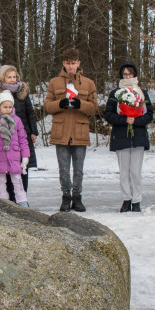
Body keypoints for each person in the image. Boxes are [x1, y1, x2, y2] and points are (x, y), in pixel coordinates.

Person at [43, 47, 97, 212]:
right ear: (63, 63)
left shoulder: (88, 83)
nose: (71, 66)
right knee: (64, 168)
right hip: (61, 132)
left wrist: (81, 104)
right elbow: (47, 106)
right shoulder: (54, 82)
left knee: (78, 169)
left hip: (80, 132)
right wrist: (60, 104)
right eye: (68, 63)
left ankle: (77, 197)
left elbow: (94, 108)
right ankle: (66, 197)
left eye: (73, 63)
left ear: (78, 63)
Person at [104, 61, 154, 212]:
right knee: (124, 171)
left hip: (138, 136)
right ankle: (126, 199)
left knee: (136, 171)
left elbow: (149, 114)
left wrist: (136, 120)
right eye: (125, 74)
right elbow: (109, 114)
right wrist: (125, 120)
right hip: (121, 136)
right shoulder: (115, 93)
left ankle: (137, 200)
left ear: (135, 75)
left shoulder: (141, 92)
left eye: (130, 74)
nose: (127, 76)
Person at [0, 65, 39, 202]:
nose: (12, 80)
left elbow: (30, 112)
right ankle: (9, 199)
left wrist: (33, 131)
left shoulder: (22, 92)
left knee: (22, 168)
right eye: (9, 77)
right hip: (4, 137)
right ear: (2, 78)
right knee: (6, 168)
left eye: (14, 77)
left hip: (22, 136)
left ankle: (22, 198)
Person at [0, 90, 31, 207]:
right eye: (5, 107)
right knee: (1, 181)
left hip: (14, 156)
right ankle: (3, 203)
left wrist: (25, 156)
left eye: (10, 107)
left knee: (17, 179)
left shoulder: (17, 120)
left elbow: (23, 139)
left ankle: (22, 201)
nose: (8, 109)